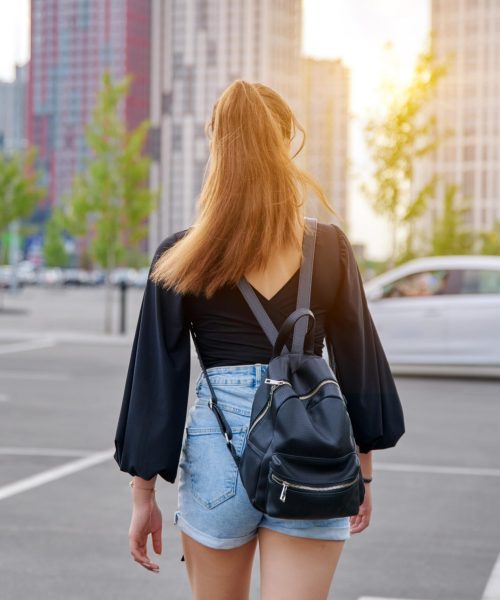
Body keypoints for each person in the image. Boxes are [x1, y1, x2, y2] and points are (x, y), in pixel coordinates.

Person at [113, 80, 405, 600]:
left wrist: (143, 495)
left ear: (216, 146)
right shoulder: (330, 247)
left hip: (219, 451)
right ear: (286, 141)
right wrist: (363, 472)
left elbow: (156, 380)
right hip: (312, 447)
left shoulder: (182, 255)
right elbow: (361, 365)